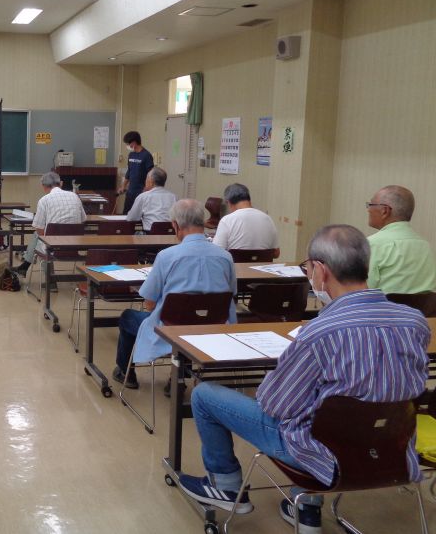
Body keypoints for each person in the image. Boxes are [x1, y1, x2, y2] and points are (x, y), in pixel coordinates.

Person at [178, 225, 430, 534]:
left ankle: (226, 487)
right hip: (392, 450)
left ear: (321, 271)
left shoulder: (319, 332)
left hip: (327, 456)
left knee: (204, 395)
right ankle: (305, 507)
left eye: (307, 268)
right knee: (325, 405)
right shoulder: (414, 322)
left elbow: (274, 405)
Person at [112, 199, 236, 390]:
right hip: (213, 329)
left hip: (171, 331)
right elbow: (231, 294)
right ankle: (178, 378)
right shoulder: (225, 257)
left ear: (176, 225)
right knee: (190, 319)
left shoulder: (167, 256)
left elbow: (150, 304)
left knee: (128, 317)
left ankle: (125, 373)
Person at [366, 185, 436, 294]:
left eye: (370, 205)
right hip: (424, 306)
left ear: (385, 211)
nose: (368, 210)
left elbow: (361, 292)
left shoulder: (372, 244)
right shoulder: (425, 246)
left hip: (383, 306)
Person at [14, 172, 86, 276]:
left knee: (39, 237)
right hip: (75, 244)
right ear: (61, 183)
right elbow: (83, 220)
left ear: (43, 186)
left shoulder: (44, 200)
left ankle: (49, 279)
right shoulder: (74, 196)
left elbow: (39, 228)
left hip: (54, 246)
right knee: (40, 237)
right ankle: (24, 267)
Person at [212, 183, 280, 258]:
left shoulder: (227, 220)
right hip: (263, 265)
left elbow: (217, 252)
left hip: (235, 265)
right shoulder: (268, 219)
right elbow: (276, 254)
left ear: (229, 202)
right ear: (248, 199)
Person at [125, 167, 176, 232]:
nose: (145, 181)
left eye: (146, 178)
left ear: (151, 181)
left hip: (150, 235)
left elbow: (131, 218)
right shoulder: (174, 197)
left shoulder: (143, 197)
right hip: (170, 235)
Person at [117, 131, 154, 215]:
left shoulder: (146, 155)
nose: (127, 146)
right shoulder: (131, 155)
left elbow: (151, 174)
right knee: (126, 214)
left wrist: (146, 188)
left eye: (128, 143)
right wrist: (123, 186)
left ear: (133, 142)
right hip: (130, 191)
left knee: (139, 215)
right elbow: (129, 171)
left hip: (141, 191)